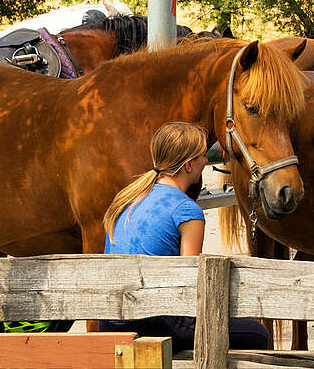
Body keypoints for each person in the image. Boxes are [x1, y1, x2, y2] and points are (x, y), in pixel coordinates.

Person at [100, 122, 270, 352]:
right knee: (257, 333)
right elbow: (189, 281)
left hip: (111, 322)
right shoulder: (186, 210)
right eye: (203, 156)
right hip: (152, 323)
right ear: (189, 165)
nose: (206, 161)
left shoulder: (128, 198)